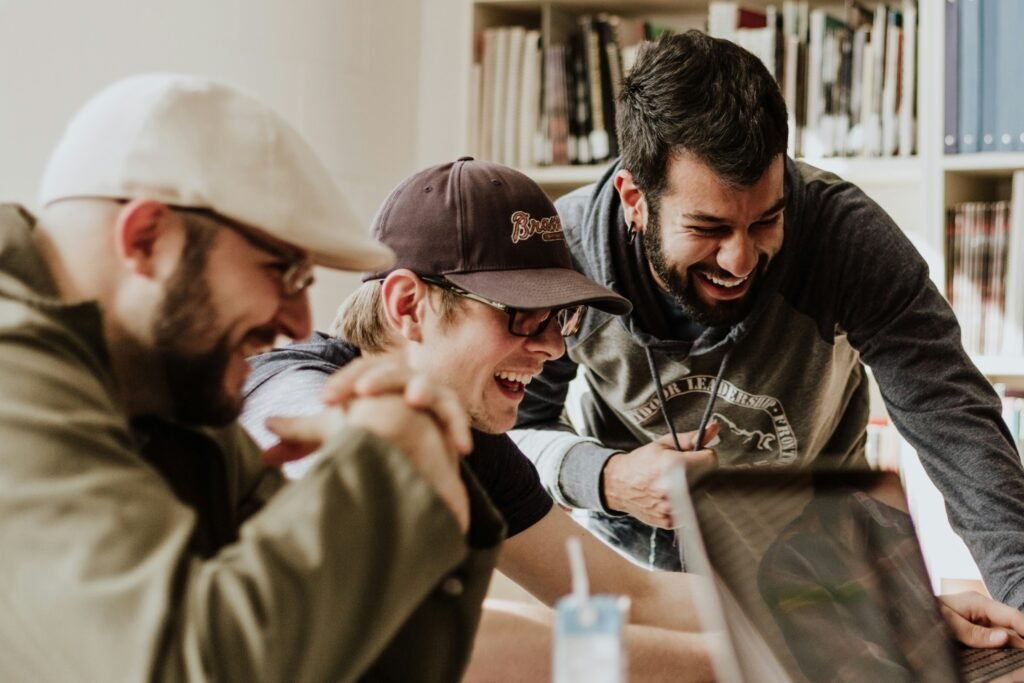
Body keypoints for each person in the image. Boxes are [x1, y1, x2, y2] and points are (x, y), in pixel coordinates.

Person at [241, 158, 1024, 682]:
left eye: (560, 320)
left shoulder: (472, 438)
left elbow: (622, 593)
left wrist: (881, 611)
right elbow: (454, 638)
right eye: (521, 317)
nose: (551, 350)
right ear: (409, 305)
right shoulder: (294, 390)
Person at [0, 74, 505, 682]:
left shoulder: (174, 393)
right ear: (146, 238)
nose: (298, 325)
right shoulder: (14, 372)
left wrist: (429, 471)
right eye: (282, 271)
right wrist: (386, 464)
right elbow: (187, 668)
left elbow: (356, 663)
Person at [511, 28, 1024, 609]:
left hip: (821, 572)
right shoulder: (563, 256)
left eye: (765, 220)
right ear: (635, 199)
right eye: (708, 229)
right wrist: (606, 479)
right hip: (634, 577)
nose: (740, 259)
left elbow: (954, 419)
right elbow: (511, 430)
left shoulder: (846, 240)